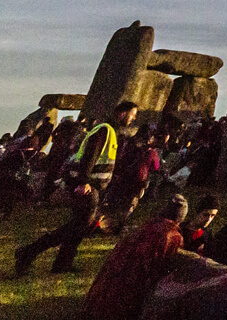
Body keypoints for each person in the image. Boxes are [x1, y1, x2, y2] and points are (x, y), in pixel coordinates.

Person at [15, 102, 138, 276]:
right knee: (79, 227)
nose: (133, 119)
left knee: (77, 226)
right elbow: (91, 154)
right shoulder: (105, 130)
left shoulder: (107, 130)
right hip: (88, 186)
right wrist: (83, 181)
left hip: (90, 184)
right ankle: (28, 252)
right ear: (121, 113)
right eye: (132, 114)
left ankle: (61, 264)